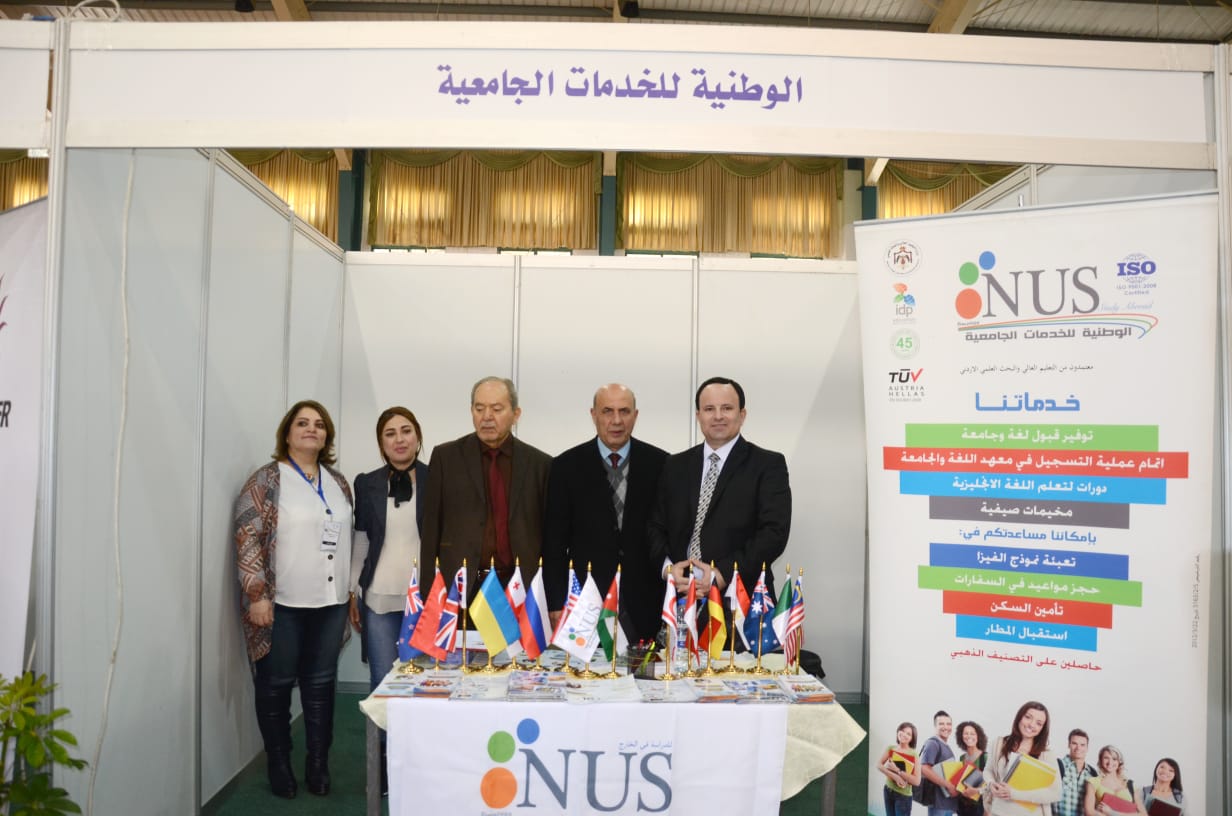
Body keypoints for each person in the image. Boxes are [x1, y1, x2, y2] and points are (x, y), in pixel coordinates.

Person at [233, 400, 353, 799]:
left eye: (319, 424)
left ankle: (317, 764)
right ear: (287, 433)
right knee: (276, 686)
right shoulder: (266, 480)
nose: (311, 429)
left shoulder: (338, 483)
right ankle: (279, 764)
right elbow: (247, 537)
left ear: (327, 435)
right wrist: (257, 595)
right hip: (281, 604)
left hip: (330, 602)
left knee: (321, 686)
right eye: (302, 423)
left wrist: (350, 590)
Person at [648, 376, 791, 603]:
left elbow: (774, 533)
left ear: (742, 415)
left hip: (742, 601)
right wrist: (668, 569)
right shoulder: (675, 465)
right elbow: (655, 525)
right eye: (709, 409)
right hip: (679, 596)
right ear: (698, 416)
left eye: (727, 408)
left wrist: (723, 573)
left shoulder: (767, 465)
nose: (718, 416)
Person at [542, 383, 668, 641]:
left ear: (635, 415)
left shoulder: (662, 464)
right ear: (594, 415)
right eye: (607, 411)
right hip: (585, 602)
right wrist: (555, 601)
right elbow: (554, 542)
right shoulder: (565, 466)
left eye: (624, 411)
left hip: (647, 602)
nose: (616, 420)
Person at [349, 407, 429, 794]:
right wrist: (353, 590)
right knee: (384, 683)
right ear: (381, 443)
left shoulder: (437, 478)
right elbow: (361, 539)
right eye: (390, 433)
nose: (399, 439)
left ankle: (418, 762)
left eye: (406, 431)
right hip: (379, 597)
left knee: (423, 682)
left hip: (424, 602)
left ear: (418, 437)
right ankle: (383, 766)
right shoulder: (367, 483)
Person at [420, 376, 551, 604]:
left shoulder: (540, 464)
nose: (487, 417)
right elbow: (431, 529)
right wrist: (427, 593)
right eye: (479, 409)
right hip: (460, 587)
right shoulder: (446, 458)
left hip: (519, 589)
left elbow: (548, 535)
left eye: (496, 409)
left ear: (516, 414)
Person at [985, 701, 1063, 816]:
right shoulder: (999, 743)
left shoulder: (1047, 754)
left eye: (1039, 723)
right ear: (1019, 717)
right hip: (998, 812)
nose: (1032, 725)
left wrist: (1014, 794)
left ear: (1042, 729)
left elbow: (1055, 793)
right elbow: (988, 770)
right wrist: (991, 783)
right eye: (1028, 717)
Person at [1083, 745, 1147, 816]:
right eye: (1106, 758)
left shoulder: (1130, 785)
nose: (1110, 762)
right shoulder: (1093, 782)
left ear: (1119, 762)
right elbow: (1089, 812)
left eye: (1114, 759)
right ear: (1100, 760)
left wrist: (1112, 813)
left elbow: (1143, 814)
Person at [919, 710, 961, 816]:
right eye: (941, 724)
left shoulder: (946, 746)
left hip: (947, 803)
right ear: (935, 726)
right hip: (938, 804)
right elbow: (924, 768)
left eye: (948, 724)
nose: (945, 727)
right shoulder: (933, 743)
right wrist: (948, 785)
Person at [877, 721, 922, 816]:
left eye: (908, 734)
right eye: (902, 730)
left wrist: (897, 770)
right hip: (888, 790)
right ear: (898, 731)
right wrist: (895, 777)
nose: (904, 734)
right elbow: (879, 765)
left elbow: (917, 781)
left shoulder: (914, 754)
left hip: (903, 797)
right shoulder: (891, 748)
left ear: (912, 738)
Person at [1053, 729, 1097, 816]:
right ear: (1069, 744)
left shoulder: (1092, 774)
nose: (1078, 748)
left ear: (1087, 747)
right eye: (1074, 743)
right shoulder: (1058, 766)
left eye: (1082, 745)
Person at [955, 720, 988, 815]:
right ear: (961, 737)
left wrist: (976, 791)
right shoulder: (962, 758)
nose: (969, 736)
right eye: (966, 733)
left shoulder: (985, 757)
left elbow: (993, 785)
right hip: (962, 806)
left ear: (978, 737)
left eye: (972, 733)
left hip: (980, 808)